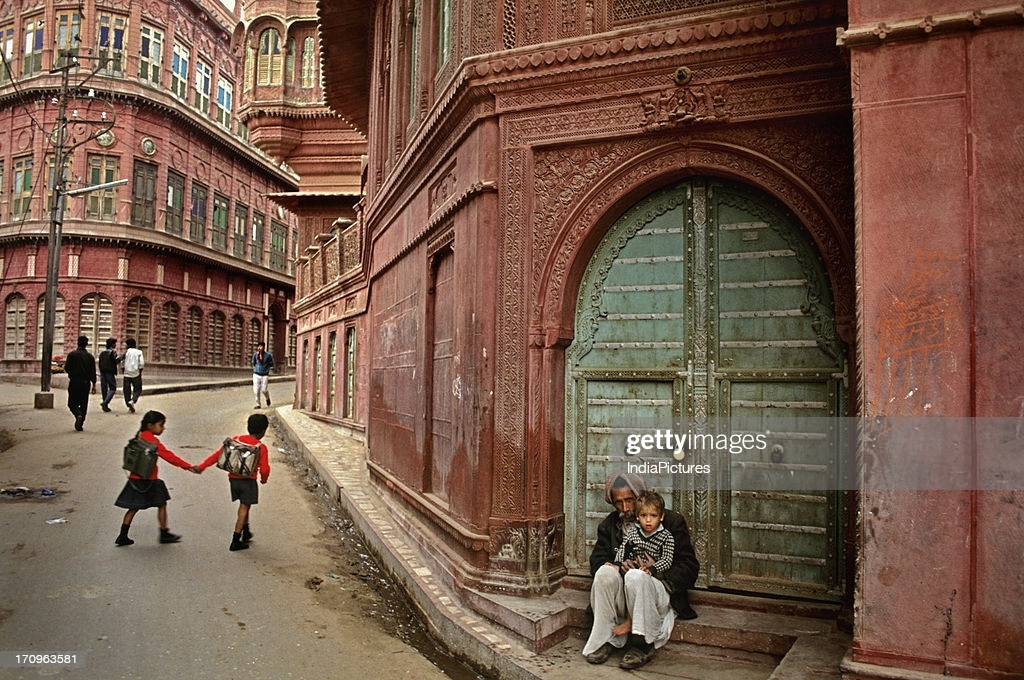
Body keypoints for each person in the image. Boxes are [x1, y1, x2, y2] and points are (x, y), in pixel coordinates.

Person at [582, 472, 699, 669]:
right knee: (604, 573)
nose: (625, 508)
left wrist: (656, 570)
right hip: (625, 594)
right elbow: (597, 562)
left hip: (657, 593)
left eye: (630, 500)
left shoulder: (671, 522)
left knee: (637, 576)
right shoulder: (609, 525)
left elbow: (690, 567)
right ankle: (605, 639)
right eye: (619, 502)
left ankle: (642, 644)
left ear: (640, 496)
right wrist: (620, 567)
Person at [113, 410, 199, 546]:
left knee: (133, 508)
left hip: (135, 478)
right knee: (162, 503)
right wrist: (187, 466)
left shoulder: (140, 435)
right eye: (161, 425)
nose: (163, 428)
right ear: (150, 425)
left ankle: (123, 535)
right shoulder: (152, 441)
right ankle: (164, 533)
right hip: (149, 480)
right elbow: (168, 456)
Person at [195, 413, 271, 551]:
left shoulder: (236, 439)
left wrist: (202, 466)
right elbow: (265, 469)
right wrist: (263, 480)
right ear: (263, 431)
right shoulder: (261, 447)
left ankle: (246, 530)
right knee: (244, 507)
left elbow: (218, 454)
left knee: (245, 504)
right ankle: (236, 540)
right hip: (248, 482)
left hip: (233, 479)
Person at [63, 335, 96, 431]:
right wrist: (94, 385)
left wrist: (73, 373)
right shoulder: (90, 357)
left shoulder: (72, 355)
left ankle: (77, 414)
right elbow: (92, 372)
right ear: (86, 344)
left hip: (74, 382)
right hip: (85, 383)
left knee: (72, 403)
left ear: (77, 343)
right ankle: (81, 421)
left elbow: (67, 368)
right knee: (83, 403)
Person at [121, 338, 144, 413]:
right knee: (137, 389)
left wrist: (123, 369)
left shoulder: (126, 352)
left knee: (126, 390)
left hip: (127, 373)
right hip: (136, 373)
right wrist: (140, 370)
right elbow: (141, 363)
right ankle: (133, 400)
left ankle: (128, 403)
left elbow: (122, 362)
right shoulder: (139, 352)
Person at [97, 337, 120, 412]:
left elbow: (99, 363)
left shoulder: (102, 352)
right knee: (113, 388)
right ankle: (105, 402)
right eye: (114, 343)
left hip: (102, 372)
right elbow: (115, 362)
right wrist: (121, 358)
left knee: (104, 388)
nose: (115, 345)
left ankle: (105, 405)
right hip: (110, 372)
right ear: (112, 344)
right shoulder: (113, 352)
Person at [251, 341, 274, 409]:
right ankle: (258, 404)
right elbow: (254, 363)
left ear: (264, 347)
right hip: (256, 374)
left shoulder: (268, 355)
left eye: (261, 346)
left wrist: (266, 367)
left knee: (264, 390)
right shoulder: (255, 355)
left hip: (265, 375)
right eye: (258, 346)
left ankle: (267, 398)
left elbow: (271, 363)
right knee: (256, 390)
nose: (259, 348)